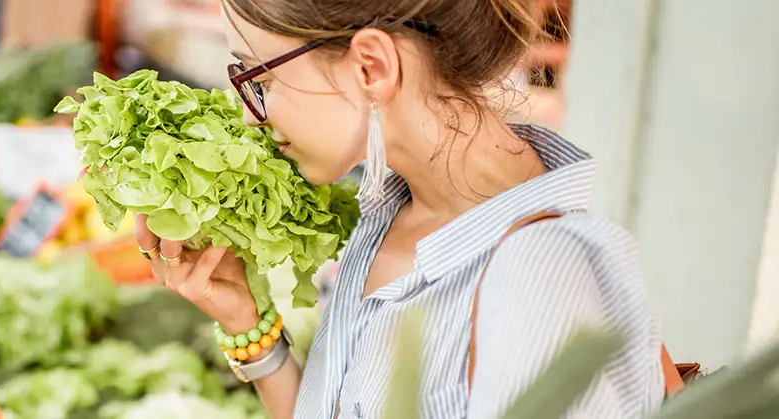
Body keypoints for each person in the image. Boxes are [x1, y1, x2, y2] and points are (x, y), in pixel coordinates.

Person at [132, 0, 667, 418]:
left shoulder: (543, 281)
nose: (254, 117)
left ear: (371, 66)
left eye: (261, 79)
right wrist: (249, 325)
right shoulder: (391, 205)